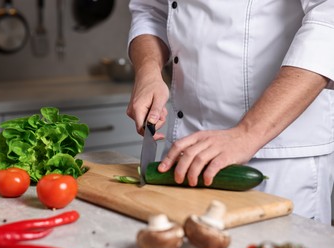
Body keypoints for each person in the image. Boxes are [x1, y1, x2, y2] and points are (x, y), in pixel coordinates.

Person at [126, 0, 334, 225]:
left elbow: (327, 22)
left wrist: (248, 133)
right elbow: (151, 10)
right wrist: (148, 71)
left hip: (276, 156)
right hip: (185, 151)